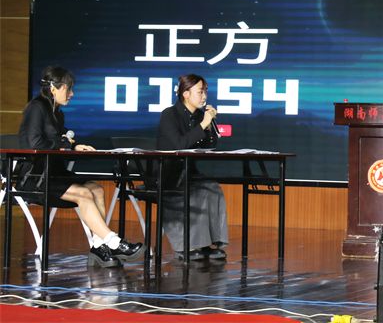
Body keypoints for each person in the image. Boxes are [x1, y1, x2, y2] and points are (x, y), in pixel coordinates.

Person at [18, 66, 144, 268]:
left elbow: (61, 139)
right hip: (35, 178)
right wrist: (65, 144)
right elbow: (35, 143)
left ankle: (99, 246)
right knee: (84, 194)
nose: (72, 94)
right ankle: (114, 242)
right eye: (68, 89)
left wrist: (75, 145)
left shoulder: (57, 113)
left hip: (55, 173)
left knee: (97, 189)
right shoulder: (36, 107)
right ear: (54, 88)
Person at [157, 74, 228, 260]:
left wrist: (210, 124)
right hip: (168, 175)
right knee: (195, 192)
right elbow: (180, 144)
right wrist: (203, 124)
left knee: (212, 188)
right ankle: (185, 246)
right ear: (186, 94)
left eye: (205, 92)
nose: (204, 96)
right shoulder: (169, 114)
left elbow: (210, 145)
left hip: (189, 172)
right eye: (200, 92)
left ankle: (208, 243)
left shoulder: (199, 116)